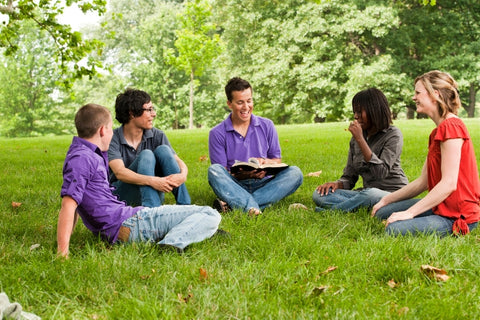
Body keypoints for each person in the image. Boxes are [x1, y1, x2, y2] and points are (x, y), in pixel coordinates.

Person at [57, 103, 221, 258]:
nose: (113, 134)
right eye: (110, 130)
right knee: (210, 213)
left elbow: (77, 201)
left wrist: (69, 234)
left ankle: (196, 229)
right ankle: (171, 243)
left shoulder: (86, 154)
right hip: (132, 223)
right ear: (102, 130)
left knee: (201, 217)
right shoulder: (82, 158)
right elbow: (69, 204)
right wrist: (62, 253)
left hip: (128, 220)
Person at [372, 70, 480, 236]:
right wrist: (387, 199)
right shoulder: (438, 131)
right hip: (440, 206)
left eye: (418, 93)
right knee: (382, 212)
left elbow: (449, 183)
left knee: (394, 229)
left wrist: (409, 213)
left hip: (457, 215)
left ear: (434, 94)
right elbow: (423, 181)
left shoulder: (452, 127)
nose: (414, 97)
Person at [208, 77, 303, 215]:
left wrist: (266, 162)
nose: (246, 107)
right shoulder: (217, 133)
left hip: (264, 183)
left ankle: (235, 204)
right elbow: (222, 172)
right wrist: (243, 174)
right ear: (229, 104)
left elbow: (277, 160)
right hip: (235, 185)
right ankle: (254, 205)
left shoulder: (267, 125)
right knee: (214, 171)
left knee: (295, 173)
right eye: (240, 102)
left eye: (249, 101)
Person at [313, 88, 408, 212]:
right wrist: (337, 184)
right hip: (366, 193)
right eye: (354, 112)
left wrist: (360, 139)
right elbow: (349, 177)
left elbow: (381, 172)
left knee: (371, 194)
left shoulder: (393, 135)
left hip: (392, 193)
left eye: (359, 111)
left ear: (374, 111)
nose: (356, 116)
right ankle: (361, 206)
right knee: (319, 193)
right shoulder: (356, 139)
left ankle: (333, 211)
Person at [108, 88, 190, 207]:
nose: (154, 114)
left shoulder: (157, 135)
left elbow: (177, 161)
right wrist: (152, 181)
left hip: (153, 191)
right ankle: (152, 212)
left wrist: (182, 176)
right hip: (122, 196)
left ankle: (185, 206)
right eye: (149, 110)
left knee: (164, 150)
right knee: (146, 154)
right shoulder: (113, 138)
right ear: (132, 113)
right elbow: (120, 173)